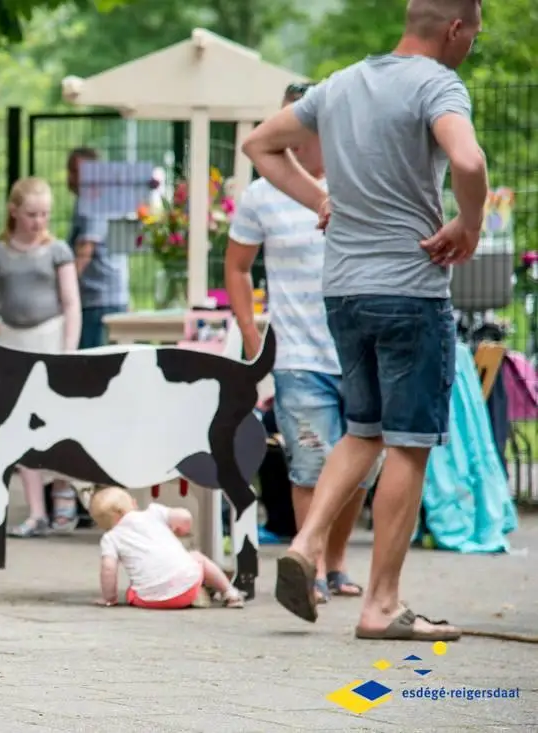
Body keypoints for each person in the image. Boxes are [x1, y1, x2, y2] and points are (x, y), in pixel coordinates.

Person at [241, 0, 486, 641]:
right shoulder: (438, 83)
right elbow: (468, 162)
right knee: (408, 441)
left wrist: (322, 199)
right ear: (455, 27)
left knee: (362, 430)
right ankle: (381, 605)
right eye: (474, 34)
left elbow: (260, 144)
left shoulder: (340, 83)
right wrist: (469, 224)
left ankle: (307, 546)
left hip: (343, 292)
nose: (472, 45)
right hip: (409, 291)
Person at [225, 84, 382, 604]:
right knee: (310, 466)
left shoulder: (356, 182)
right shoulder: (260, 195)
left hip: (359, 350)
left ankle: (335, 565)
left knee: (358, 474)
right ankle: (308, 569)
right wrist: (252, 334)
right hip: (297, 356)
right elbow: (238, 266)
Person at [0, 177, 81, 537]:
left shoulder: (58, 251)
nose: (39, 222)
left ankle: (64, 496)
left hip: (49, 339)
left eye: (45, 214)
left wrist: (69, 351)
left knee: (58, 422)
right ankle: (36, 511)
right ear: (14, 211)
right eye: (32, 214)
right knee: (22, 426)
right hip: (11, 343)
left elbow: (71, 303)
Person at [89, 488, 244, 609]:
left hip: (149, 601)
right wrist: (182, 528)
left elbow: (108, 568)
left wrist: (109, 598)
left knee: (133, 590)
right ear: (134, 503)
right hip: (187, 588)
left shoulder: (111, 538)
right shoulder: (154, 512)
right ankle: (229, 592)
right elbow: (184, 516)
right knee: (197, 558)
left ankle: (180, 592)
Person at [66, 148, 130, 349]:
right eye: (71, 171)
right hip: (112, 295)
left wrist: (62, 288)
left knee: (91, 367)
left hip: (98, 300)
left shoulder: (93, 200)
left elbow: (85, 250)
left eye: (78, 172)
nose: (72, 178)